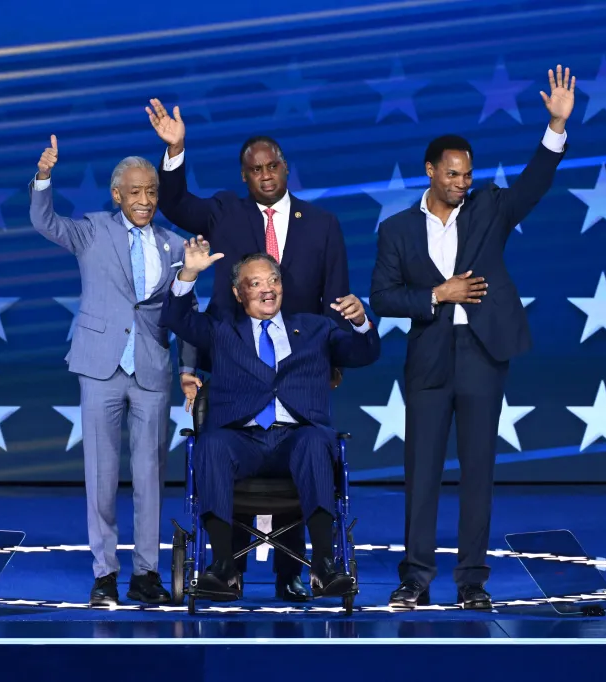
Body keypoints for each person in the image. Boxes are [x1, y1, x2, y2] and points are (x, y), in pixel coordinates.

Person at [370, 65, 576, 610]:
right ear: (431, 171)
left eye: (467, 174)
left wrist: (554, 127)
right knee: (422, 474)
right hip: (430, 358)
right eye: (453, 174)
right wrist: (440, 294)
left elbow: (534, 184)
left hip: (483, 355)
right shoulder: (396, 230)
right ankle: (414, 578)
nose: (462, 182)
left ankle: (471, 582)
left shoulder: (489, 208)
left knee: (478, 472)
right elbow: (385, 298)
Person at [145, 98, 352, 601]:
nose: (265, 175)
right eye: (254, 170)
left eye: (272, 166)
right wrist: (175, 151)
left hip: (302, 361)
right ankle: (226, 569)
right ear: (244, 176)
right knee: (227, 441)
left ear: (285, 167)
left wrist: (334, 360)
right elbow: (175, 205)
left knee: (301, 439)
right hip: (233, 357)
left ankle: (295, 571)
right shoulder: (224, 213)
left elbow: (338, 293)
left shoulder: (321, 222)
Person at [29, 135, 200, 606]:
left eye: (152, 192)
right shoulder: (92, 230)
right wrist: (44, 177)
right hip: (99, 366)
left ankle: (147, 575)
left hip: (151, 369)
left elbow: (185, 310)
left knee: (149, 475)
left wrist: (189, 367)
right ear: (117, 195)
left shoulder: (174, 245)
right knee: (101, 474)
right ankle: (105, 575)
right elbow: (44, 221)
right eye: (136, 192)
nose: (145, 200)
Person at [162, 237, 378, 601]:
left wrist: (360, 324)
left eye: (273, 281)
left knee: (314, 440)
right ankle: (223, 566)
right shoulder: (221, 331)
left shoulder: (315, 329)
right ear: (237, 292)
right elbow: (176, 318)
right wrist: (188, 274)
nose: (267, 290)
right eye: (255, 283)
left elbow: (363, 354)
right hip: (240, 442)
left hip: (295, 440)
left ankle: (324, 566)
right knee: (210, 442)